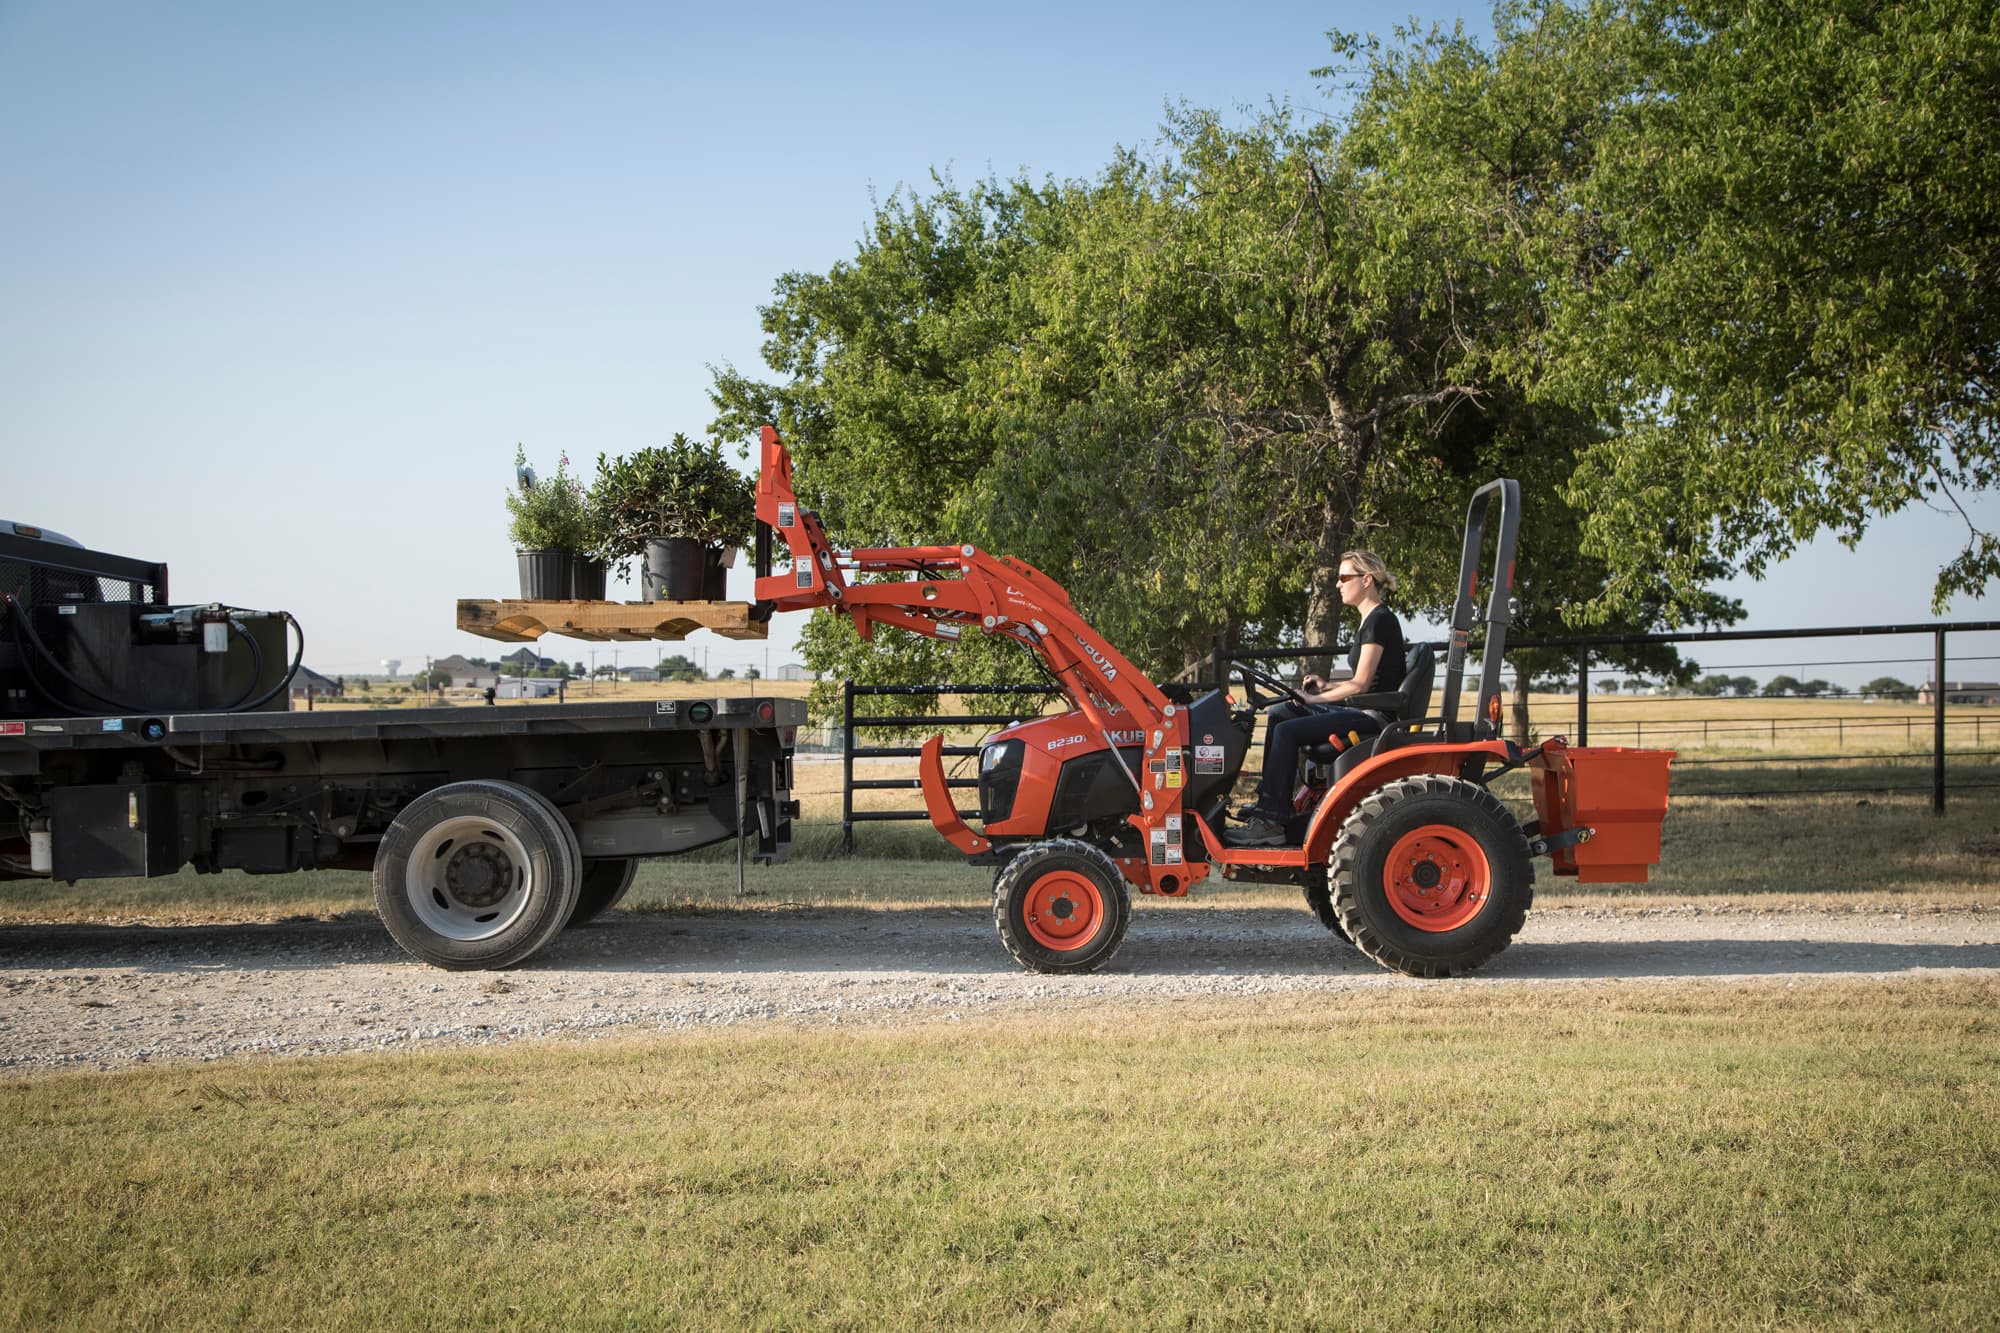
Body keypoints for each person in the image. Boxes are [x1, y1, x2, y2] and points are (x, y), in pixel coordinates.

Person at [1231, 550, 1407, 846]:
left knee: (1288, 730)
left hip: (1372, 717)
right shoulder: (1370, 621)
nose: (1338, 584)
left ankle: (1271, 824)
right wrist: (1324, 687)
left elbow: (1361, 685)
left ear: (1366, 580)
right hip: (1361, 708)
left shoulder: (1379, 621)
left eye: (1343, 577)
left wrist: (1313, 700)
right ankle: (1272, 808)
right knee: (1281, 713)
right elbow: (1365, 681)